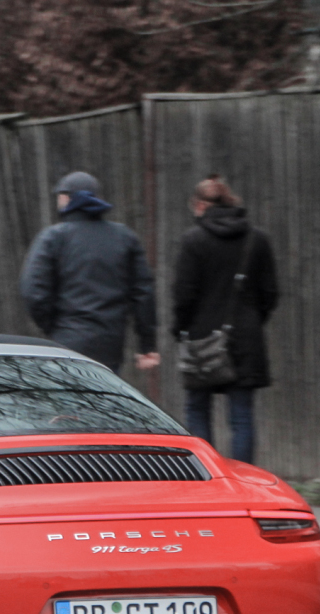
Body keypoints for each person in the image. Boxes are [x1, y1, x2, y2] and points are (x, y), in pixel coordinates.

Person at [172, 175, 278, 464]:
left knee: (197, 408)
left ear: (200, 204)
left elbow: (184, 293)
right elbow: (270, 293)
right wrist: (252, 320)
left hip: (201, 337)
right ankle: (244, 481)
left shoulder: (193, 240)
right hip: (245, 337)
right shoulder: (257, 239)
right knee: (242, 415)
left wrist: (180, 329)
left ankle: (206, 479)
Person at [19, 171, 160, 374]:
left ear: (67, 198)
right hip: (110, 347)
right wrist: (147, 345)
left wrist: (55, 328)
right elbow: (143, 294)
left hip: (67, 345)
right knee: (104, 404)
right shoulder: (124, 238)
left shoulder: (53, 238)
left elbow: (33, 291)